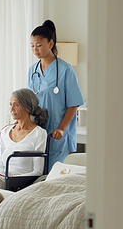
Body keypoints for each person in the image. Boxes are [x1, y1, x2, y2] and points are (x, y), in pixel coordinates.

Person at [27, 19, 83, 169]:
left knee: (55, 177)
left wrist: (62, 128)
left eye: (39, 45)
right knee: (36, 177)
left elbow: (73, 104)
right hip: (37, 133)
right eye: (32, 46)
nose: (35, 49)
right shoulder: (32, 71)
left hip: (56, 133)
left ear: (51, 44)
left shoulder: (66, 70)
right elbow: (28, 102)